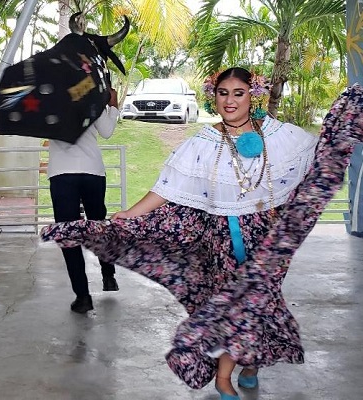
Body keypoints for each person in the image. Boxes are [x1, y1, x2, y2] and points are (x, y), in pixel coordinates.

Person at [41, 67, 363, 399]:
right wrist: (131, 213)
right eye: (223, 93)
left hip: (266, 240)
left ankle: (250, 363)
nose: (230, 101)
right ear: (214, 97)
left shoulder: (280, 136)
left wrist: (348, 117)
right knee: (237, 303)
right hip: (220, 236)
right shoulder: (204, 142)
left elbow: (321, 154)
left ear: (254, 96)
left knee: (260, 302)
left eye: (239, 93)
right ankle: (224, 379)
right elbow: (170, 186)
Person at [47, 87, 120, 314]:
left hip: (61, 173)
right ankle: (108, 276)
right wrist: (113, 104)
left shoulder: (46, 103)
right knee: (98, 224)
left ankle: (82, 296)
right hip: (92, 171)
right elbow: (107, 131)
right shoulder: (90, 99)